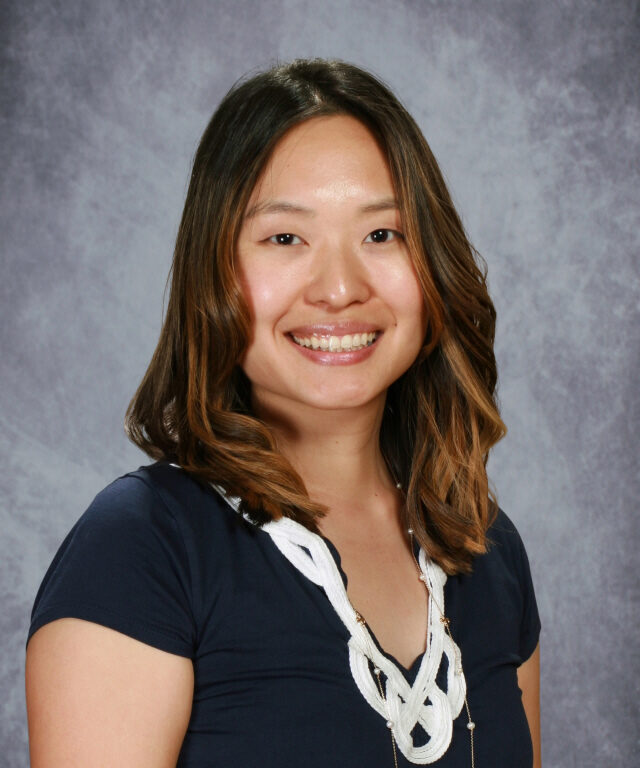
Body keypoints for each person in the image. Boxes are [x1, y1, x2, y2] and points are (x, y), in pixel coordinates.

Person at [25, 58, 541, 767]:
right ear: (216, 272)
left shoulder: (487, 547)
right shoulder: (141, 550)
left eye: (382, 235)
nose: (339, 287)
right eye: (285, 238)